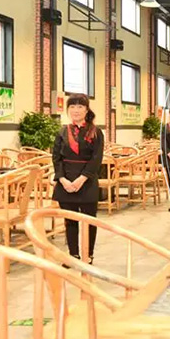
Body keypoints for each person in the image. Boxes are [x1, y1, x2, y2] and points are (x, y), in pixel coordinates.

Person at [52, 93, 104, 264]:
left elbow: (96, 159)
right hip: (66, 182)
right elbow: (56, 158)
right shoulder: (62, 131)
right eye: (72, 106)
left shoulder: (95, 132)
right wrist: (62, 180)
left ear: (86, 110)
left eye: (80, 106)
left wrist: (82, 179)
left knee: (90, 220)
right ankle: (73, 254)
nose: (76, 110)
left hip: (87, 182)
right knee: (70, 221)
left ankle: (88, 255)